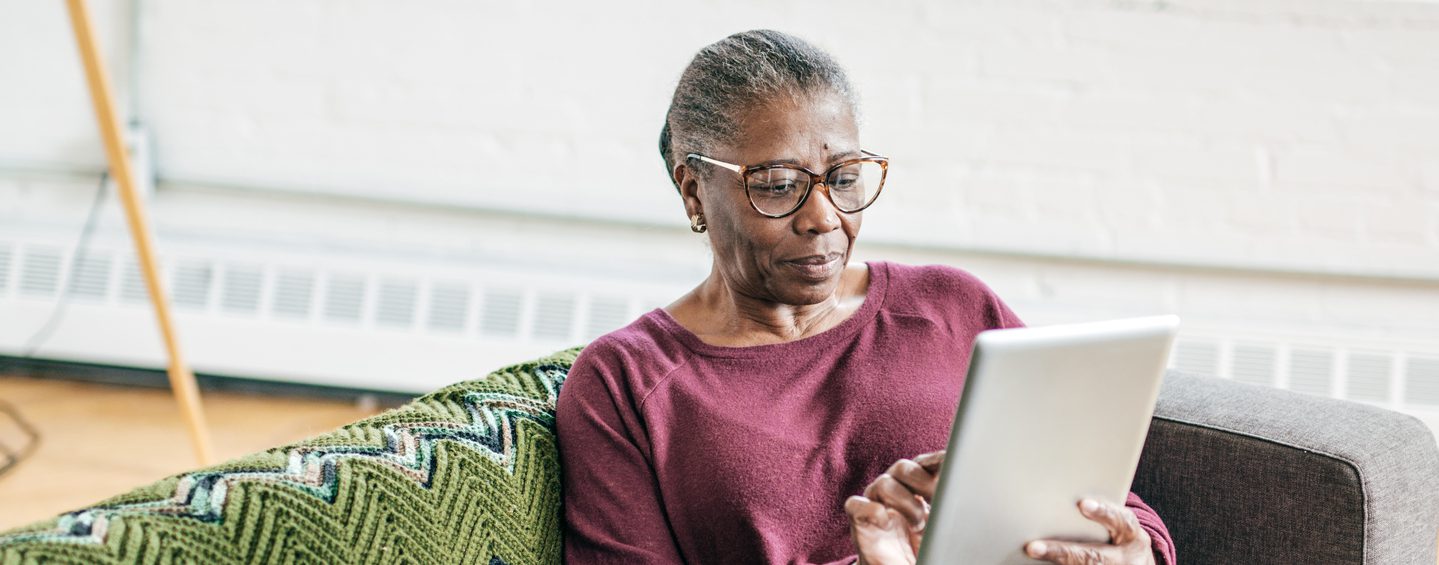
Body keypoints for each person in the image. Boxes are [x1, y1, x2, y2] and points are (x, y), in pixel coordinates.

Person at [556, 30, 1177, 565]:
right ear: (693, 191)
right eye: (777, 186)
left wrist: (1134, 550)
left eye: (845, 178)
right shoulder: (624, 383)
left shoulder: (952, 309)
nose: (824, 218)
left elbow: (1112, 502)